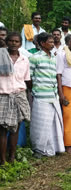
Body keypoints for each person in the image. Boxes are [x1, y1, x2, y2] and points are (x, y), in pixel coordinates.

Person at [29, 32, 65, 157]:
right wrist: (35, 90)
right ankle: (38, 149)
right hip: (41, 96)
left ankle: (54, 148)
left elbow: (56, 76)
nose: (52, 44)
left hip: (53, 95)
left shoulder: (54, 58)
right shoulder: (35, 57)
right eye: (50, 42)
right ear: (42, 44)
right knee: (41, 124)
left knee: (53, 123)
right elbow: (29, 78)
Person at [0, 32, 30, 164]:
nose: (13, 43)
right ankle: (2, 160)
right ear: (7, 42)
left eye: (16, 41)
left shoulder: (24, 59)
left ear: (20, 44)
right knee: (2, 130)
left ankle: (12, 157)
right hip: (3, 95)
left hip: (19, 96)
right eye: (11, 41)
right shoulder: (0, 56)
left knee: (16, 129)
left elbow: (26, 79)